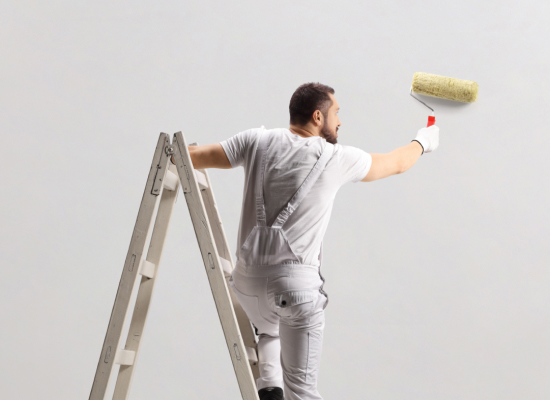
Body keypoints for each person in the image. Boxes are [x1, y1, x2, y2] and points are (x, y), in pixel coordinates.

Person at [187, 82, 439, 400]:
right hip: (295, 290)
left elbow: (193, 157)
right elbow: (397, 163)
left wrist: (169, 153)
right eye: (336, 113)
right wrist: (422, 141)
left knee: (268, 327)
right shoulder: (336, 158)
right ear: (318, 116)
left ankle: (269, 385)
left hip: (247, 287)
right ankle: (278, 387)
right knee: (303, 391)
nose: (340, 121)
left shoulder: (256, 140)